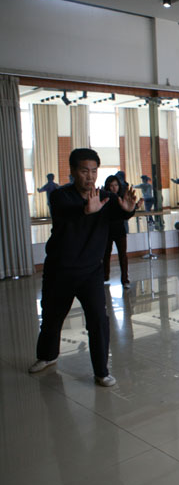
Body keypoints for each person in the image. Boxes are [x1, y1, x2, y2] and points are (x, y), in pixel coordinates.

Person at [28, 148, 138, 387]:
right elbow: (65, 212)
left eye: (94, 171)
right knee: (52, 317)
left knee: (98, 319)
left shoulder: (105, 197)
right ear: (73, 171)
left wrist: (129, 210)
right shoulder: (60, 196)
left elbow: (119, 211)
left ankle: (101, 371)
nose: (90, 176)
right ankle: (47, 356)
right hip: (60, 270)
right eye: (84, 171)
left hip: (90, 271)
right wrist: (85, 210)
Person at [103, 175, 137, 288]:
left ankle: (125, 279)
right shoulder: (104, 198)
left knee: (123, 255)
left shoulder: (123, 198)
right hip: (107, 231)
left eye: (116, 185)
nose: (114, 188)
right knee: (106, 254)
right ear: (107, 186)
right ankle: (105, 276)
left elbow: (126, 215)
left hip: (120, 231)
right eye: (111, 185)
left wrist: (132, 209)